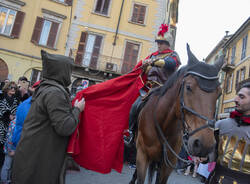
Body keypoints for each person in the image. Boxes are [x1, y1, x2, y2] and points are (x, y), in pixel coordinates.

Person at [12, 50, 85, 184]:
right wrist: (77, 109)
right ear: (60, 71)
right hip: (38, 162)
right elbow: (65, 127)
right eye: (69, 70)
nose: (70, 74)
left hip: (33, 158)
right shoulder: (54, 92)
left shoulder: (47, 88)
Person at [124, 23, 181, 145]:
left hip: (164, 90)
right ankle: (130, 132)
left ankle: (177, 138)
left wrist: (154, 62)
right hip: (148, 89)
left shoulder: (173, 55)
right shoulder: (151, 55)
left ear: (167, 44)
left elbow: (171, 64)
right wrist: (143, 65)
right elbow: (142, 70)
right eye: (158, 42)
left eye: (161, 43)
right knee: (135, 106)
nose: (158, 45)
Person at [207, 82, 250, 184]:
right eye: (237, 95)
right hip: (216, 179)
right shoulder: (220, 124)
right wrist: (202, 155)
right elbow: (211, 155)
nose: (235, 99)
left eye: (241, 97)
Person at [0, 82, 19, 168]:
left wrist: (13, 116)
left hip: (10, 127)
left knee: (5, 148)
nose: (13, 89)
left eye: (15, 88)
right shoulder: (1, 97)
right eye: (11, 87)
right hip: (1, 125)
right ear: (7, 88)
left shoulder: (15, 100)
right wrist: (7, 115)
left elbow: (15, 112)